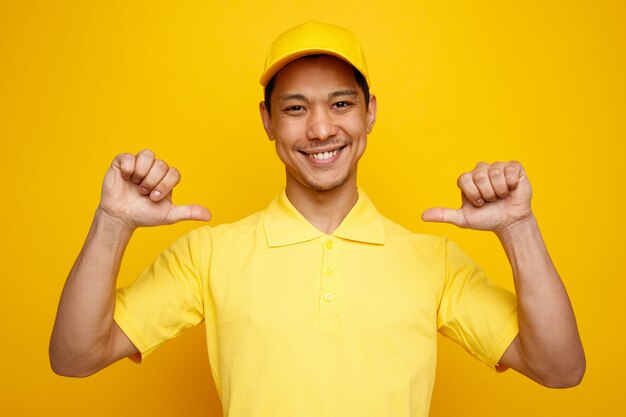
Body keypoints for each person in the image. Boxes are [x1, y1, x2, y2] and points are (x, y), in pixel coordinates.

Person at [50, 22, 585, 417]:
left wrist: (518, 229)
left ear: (370, 112)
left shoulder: (434, 261)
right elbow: (75, 357)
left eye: (341, 104)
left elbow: (561, 371)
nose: (321, 129)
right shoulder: (207, 255)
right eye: (296, 108)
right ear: (267, 121)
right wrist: (112, 222)